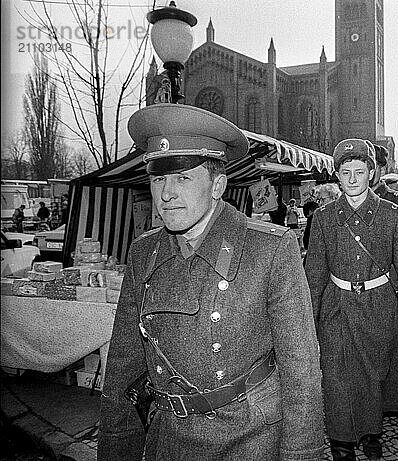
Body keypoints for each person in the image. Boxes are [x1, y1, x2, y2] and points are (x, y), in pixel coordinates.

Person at [98, 104, 324, 460]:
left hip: (250, 440)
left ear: (218, 185)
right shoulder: (144, 254)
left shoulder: (271, 249)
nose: (166, 194)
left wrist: (300, 454)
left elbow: (302, 373)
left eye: (183, 178)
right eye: (158, 179)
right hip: (168, 439)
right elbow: (123, 367)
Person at [305, 138, 398, 461]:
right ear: (337, 176)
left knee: (374, 377)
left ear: (372, 173)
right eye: (346, 172)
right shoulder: (324, 218)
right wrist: (307, 325)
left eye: (360, 171)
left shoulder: (394, 215)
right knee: (337, 377)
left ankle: (371, 432)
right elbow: (314, 274)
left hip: (380, 308)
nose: (353, 179)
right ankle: (341, 441)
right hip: (336, 308)